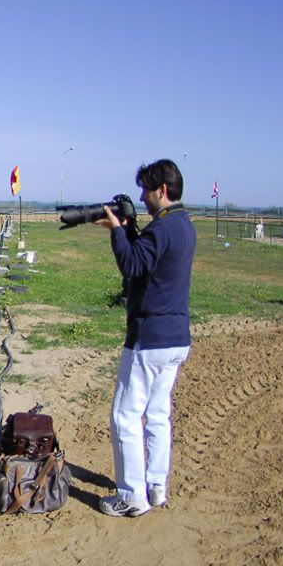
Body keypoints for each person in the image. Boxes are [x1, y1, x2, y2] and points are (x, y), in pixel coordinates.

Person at [94, 159, 196, 518]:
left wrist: (117, 231)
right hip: (175, 338)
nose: (142, 196)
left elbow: (132, 266)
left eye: (146, 190)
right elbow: (148, 260)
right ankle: (156, 487)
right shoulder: (182, 226)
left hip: (149, 339)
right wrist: (129, 230)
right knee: (157, 415)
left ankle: (132, 496)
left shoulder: (162, 229)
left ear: (162, 190)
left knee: (125, 416)